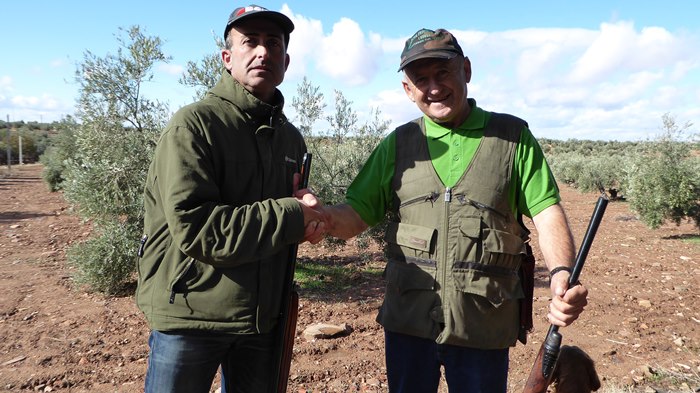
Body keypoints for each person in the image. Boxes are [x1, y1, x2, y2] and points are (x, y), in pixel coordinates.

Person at [322, 28, 588, 393]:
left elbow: (547, 213)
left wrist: (560, 273)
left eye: (443, 73)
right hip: (409, 326)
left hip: (482, 326)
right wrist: (316, 217)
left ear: (466, 69)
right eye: (421, 79)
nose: (433, 87)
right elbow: (355, 214)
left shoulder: (512, 139)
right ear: (408, 90)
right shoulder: (397, 145)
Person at [136, 5, 325, 393]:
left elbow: (286, 223)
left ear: (285, 61)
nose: (262, 52)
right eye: (249, 42)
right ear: (227, 57)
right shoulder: (194, 126)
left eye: (273, 44)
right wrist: (294, 214)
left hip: (261, 320)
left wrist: (308, 221)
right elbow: (199, 228)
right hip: (190, 316)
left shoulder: (290, 139)